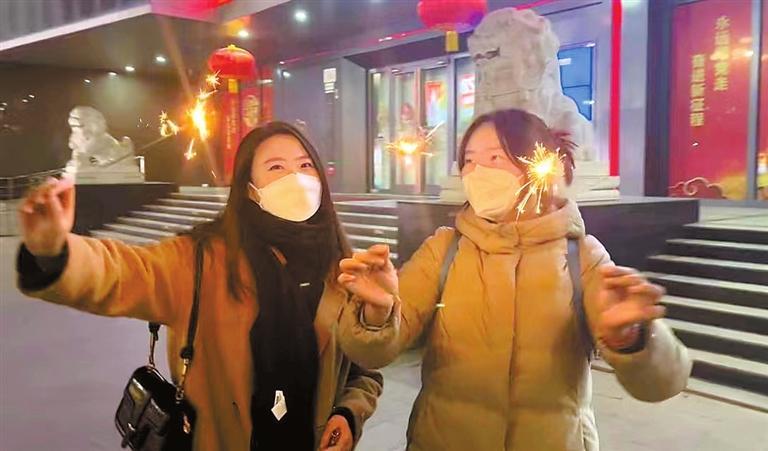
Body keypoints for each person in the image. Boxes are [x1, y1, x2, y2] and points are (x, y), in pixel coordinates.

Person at [336, 109, 691, 451]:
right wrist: (376, 315)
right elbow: (373, 352)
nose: (477, 172)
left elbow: (660, 384)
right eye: (469, 161)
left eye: (494, 158)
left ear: (536, 164)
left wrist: (632, 338)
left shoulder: (582, 256)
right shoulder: (443, 249)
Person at [16, 121, 382, 451]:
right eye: (276, 168)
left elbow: (361, 369)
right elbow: (123, 272)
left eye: (305, 165)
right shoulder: (201, 259)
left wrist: (348, 413)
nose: (296, 178)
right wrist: (54, 252)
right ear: (249, 189)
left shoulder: (342, 268)